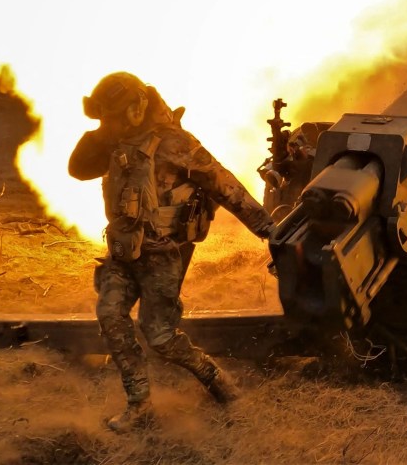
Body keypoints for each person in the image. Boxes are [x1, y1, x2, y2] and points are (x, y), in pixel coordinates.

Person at [69, 71, 275, 433]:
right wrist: (103, 133)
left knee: (160, 337)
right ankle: (140, 404)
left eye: (115, 115)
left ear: (137, 107)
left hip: (164, 254)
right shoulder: (115, 140)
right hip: (122, 251)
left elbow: (223, 184)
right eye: (106, 117)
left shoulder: (174, 142)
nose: (111, 123)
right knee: (111, 314)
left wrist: (268, 228)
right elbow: (78, 169)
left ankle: (216, 379)